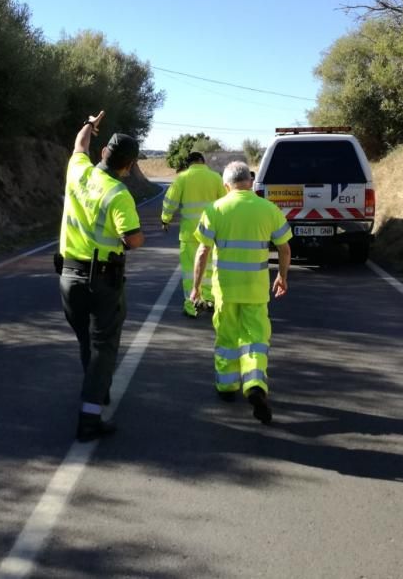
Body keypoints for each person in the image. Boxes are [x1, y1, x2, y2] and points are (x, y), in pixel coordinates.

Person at [57, 110, 144, 442]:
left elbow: (79, 145)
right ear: (128, 165)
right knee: (104, 346)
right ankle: (90, 418)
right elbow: (133, 239)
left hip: (68, 278)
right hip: (103, 282)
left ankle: (97, 388)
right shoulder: (119, 195)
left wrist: (89, 125)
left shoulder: (77, 171)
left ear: (104, 153)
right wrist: (132, 238)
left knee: (86, 341)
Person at [190, 161, 292, 424]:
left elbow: (202, 252)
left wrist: (196, 287)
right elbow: (284, 248)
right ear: (250, 181)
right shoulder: (268, 209)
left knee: (227, 340)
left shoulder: (215, 209)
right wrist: (282, 276)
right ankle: (255, 384)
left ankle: (226, 388)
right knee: (255, 339)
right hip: (256, 290)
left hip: (225, 290)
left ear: (226, 185)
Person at [160, 151, 225, 318]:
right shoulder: (216, 178)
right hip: (211, 233)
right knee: (210, 268)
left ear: (189, 164)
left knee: (190, 271)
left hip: (189, 234)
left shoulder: (182, 178)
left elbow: (170, 201)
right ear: (203, 161)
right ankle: (210, 300)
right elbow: (225, 202)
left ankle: (192, 305)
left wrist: (165, 219)